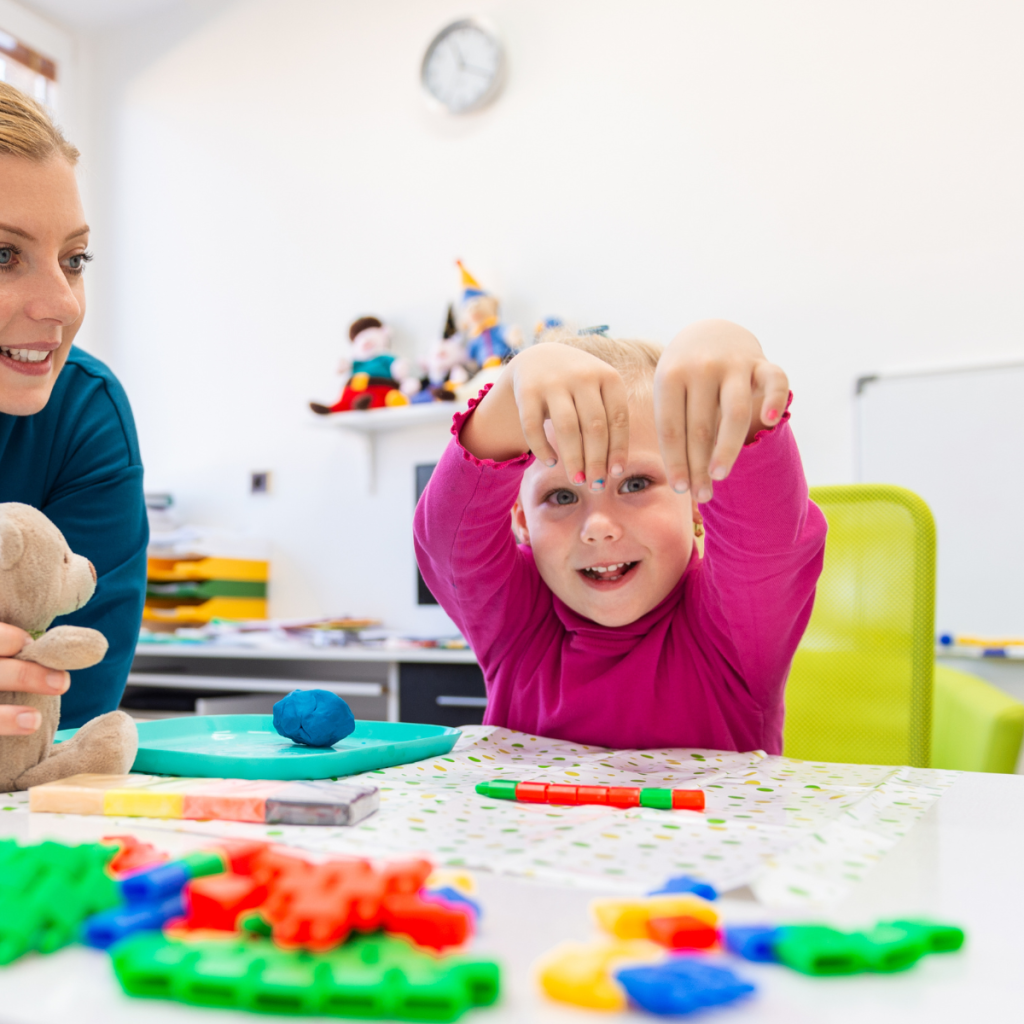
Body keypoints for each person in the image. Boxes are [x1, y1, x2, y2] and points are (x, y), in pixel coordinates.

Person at [414, 320, 827, 752]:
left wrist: (730, 368)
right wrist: (511, 388)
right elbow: (448, 543)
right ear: (520, 520)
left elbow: (765, 539)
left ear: (695, 503)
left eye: (635, 484)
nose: (598, 528)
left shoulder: (733, 632)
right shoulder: (517, 624)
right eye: (560, 496)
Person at [0, 83, 147, 735]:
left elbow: (66, 717)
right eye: (3, 255)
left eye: (74, 259)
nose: (62, 304)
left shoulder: (85, 414)